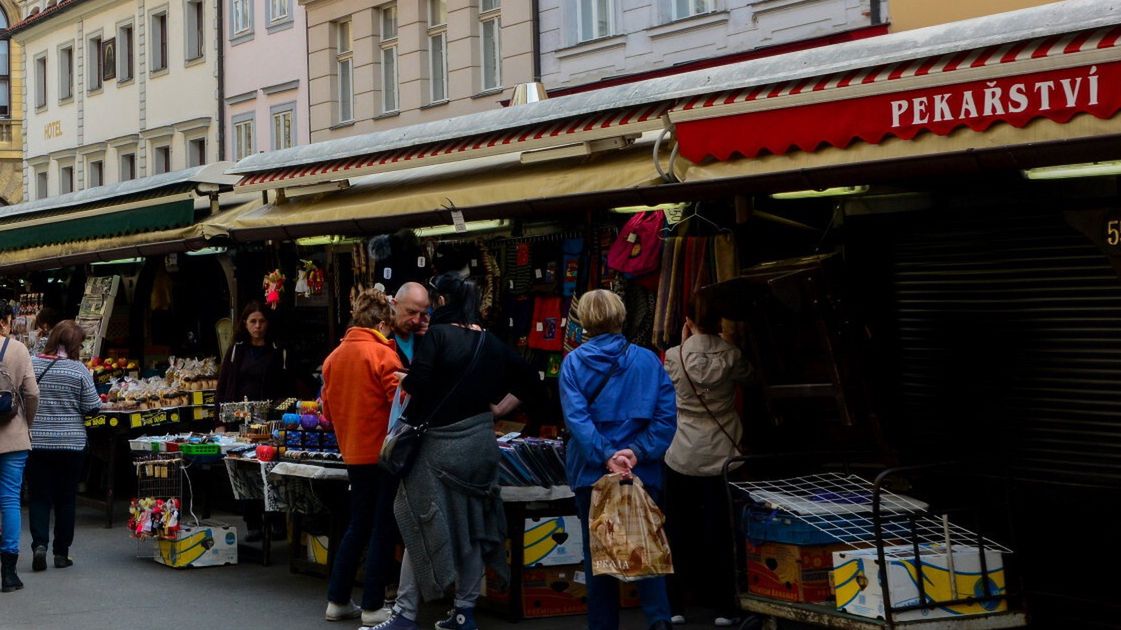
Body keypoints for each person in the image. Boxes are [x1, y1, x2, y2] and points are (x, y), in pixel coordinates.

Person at [371, 272, 539, 630]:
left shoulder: (436, 337)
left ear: (442, 302)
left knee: (419, 521)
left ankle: (404, 614)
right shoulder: (491, 342)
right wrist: (497, 409)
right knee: (475, 527)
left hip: (440, 449)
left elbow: (419, 383)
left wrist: (406, 378)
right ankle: (464, 612)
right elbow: (531, 378)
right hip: (481, 445)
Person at [559, 289, 677, 630]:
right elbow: (666, 417)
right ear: (620, 315)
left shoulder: (574, 362)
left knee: (599, 555)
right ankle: (659, 620)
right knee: (647, 545)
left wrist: (608, 456)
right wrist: (636, 453)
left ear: (585, 320)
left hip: (592, 474)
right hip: (643, 471)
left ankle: (603, 625)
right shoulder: (647, 360)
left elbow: (577, 420)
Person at [663, 294, 752, 627]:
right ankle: (725, 607)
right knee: (721, 529)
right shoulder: (732, 355)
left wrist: (685, 343)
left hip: (682, 451)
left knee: (678, 528)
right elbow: (751, 377)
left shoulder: (674, 356)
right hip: (723, 452)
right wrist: (728, 341)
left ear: (688, 320)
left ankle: (677, 603)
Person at [322, 289, 403, 626]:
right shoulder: (383, 356)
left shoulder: (333, 357)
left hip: (352, 452)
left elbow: (326, 411)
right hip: (383, 453)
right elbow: (399, 404)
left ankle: (338, 600)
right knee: (382, 527)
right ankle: (372, 606)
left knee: (357, 525)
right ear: (383, 323)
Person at [28, 320, 100, 572]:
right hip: (71, 444)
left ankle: (39, 545)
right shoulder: (78, 370)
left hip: (37, 442)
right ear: (73, 345)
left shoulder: (33, 364)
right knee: (66, 499)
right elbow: (93, 405)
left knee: (39, 497)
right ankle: (61, 553)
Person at [215, 302, 289, 541]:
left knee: (272, 469)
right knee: (245, 471)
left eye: (261, 321)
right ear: (245, 324)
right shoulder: (237, 350)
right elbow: (224, 385)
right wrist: (220, 420)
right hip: (240, 421)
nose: (257, 326)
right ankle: (253, 523)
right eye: (253, 322)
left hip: (270, 422)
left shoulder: (277, 350)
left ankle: (276, 520)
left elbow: (285, 383)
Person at [0, 303, 39, 592]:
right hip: (13, 434)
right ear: (4, 322)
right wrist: (28, 421)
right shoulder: (17, 349)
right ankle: (9, 572)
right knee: (10, 499)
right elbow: (32, 392)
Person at [391, 282, 431, 368]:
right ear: (394, 304)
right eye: (411, 312)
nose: (416, 321)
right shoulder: (380, 338)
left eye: (422, 314)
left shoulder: (425, 337)